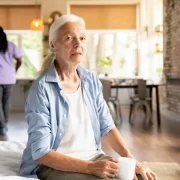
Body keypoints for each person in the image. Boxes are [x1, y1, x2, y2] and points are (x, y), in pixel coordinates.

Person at [20, 14, 157, 180]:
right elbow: (41, 153)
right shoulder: (41, 89)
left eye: (82, 38)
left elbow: (106, 126)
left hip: (94, 157)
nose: (78, 44)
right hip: (55, 164)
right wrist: (91, 168)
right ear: (53, 45)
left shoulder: (90, 80)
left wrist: (132, 160)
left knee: (139, 177)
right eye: (69, 38)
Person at [0, 27, 22, 135]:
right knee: (6, 102)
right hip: (9, 77)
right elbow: (19, 60)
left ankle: (2, 126)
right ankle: (4, 125)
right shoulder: (11, 45)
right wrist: (15, 69)